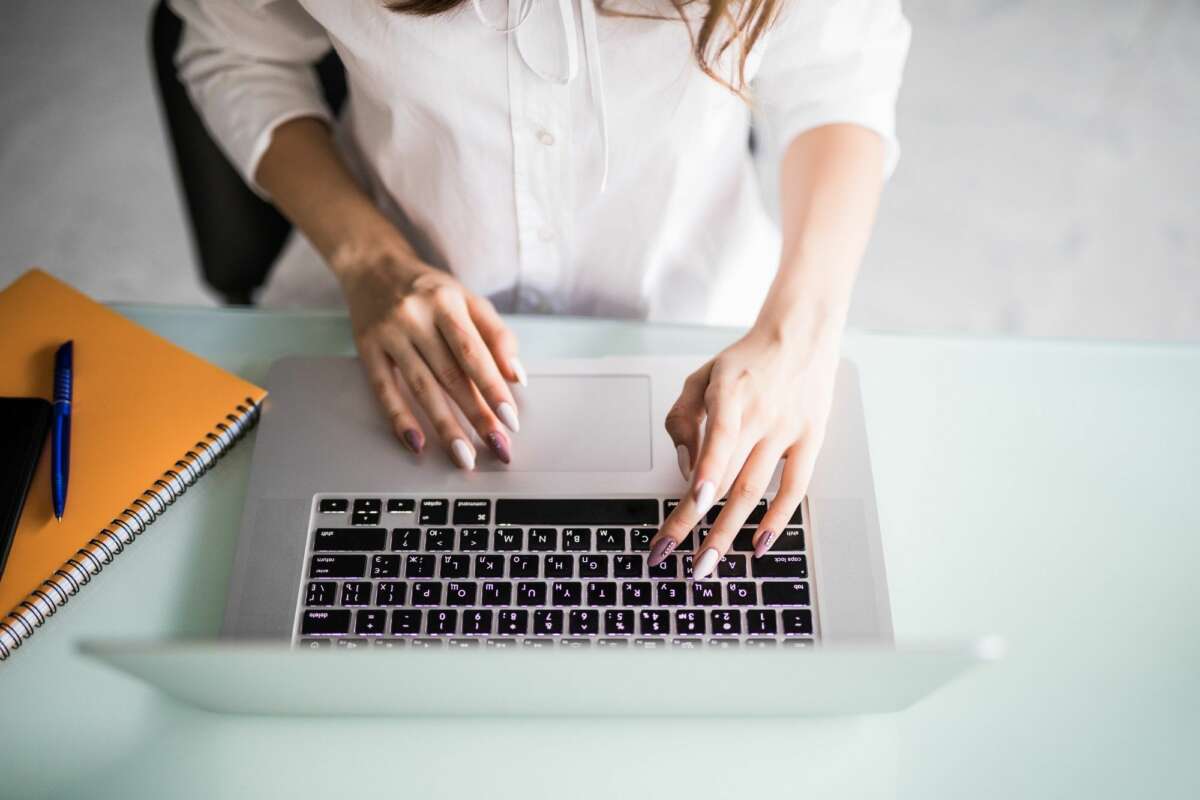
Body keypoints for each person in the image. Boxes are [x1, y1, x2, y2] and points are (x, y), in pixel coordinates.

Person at [171, 0, 910, 578]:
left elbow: (841, 79)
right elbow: (234, 48)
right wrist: (369, 260)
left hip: (712, 322)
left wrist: (800, 331)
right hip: (377, 307)